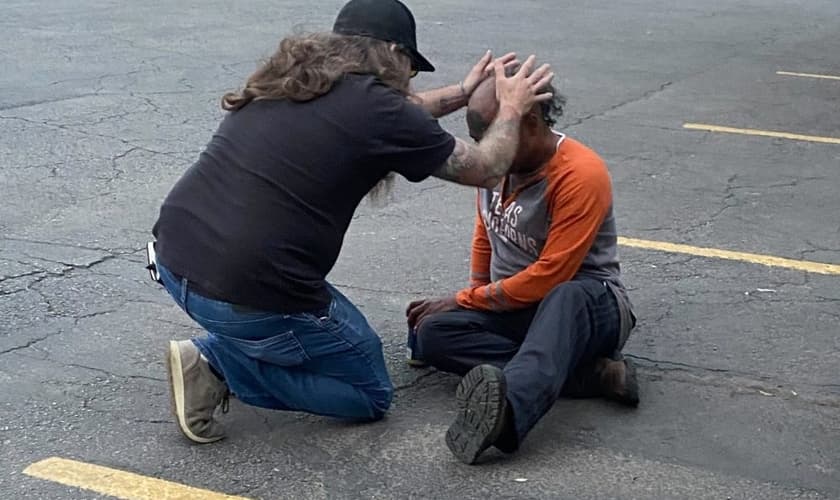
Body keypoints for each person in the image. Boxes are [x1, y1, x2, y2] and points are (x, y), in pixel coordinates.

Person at [149, 0, 555, 444]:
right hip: (244, 292)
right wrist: (512, 108)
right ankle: (216, 364)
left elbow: (404, 115)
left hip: (175, 262)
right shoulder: (377, 109)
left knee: (312, 338)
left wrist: (462, 91)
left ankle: (243, 343)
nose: (408, 80)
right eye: (410, 68)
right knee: (366, 391)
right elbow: (487, 168)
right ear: (395, 55)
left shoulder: (293, 81)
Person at [405, 74, 639, 464]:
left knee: (565, 295)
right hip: (520, 304)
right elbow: (485, 234)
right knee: (433, 333)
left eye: (493, 137)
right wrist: (473, 300)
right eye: (479, 140)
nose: (484, 151)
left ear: (530, 123)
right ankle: (590, 377)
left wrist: (467, 299)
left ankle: (509, 413)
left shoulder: (580, 173)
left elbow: (552, 274)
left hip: (589, 304)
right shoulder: (494, 166)